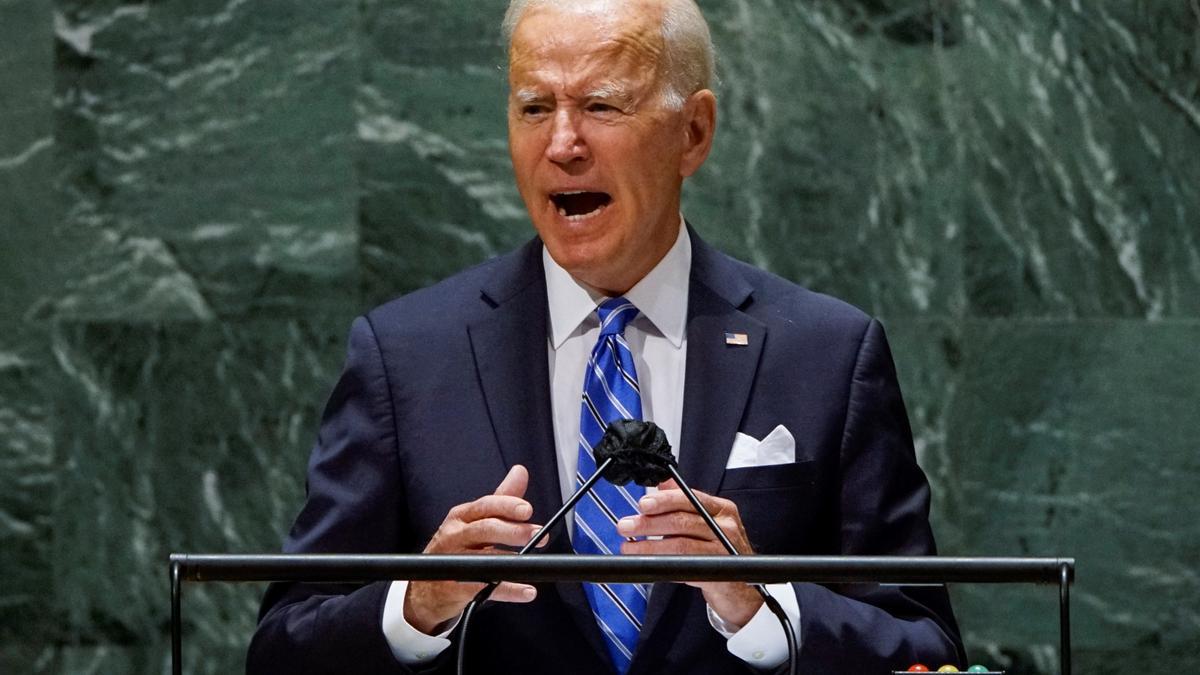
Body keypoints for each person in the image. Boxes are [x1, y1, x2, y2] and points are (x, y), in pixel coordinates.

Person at [247, 0, 965, 673]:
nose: (562, 143)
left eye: (600, 106)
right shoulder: (406, 356)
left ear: (694, 133)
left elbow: (925, 646)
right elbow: (282, 645)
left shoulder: (827, 354)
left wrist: (763, 603)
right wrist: (417, 603)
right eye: (534, 107)